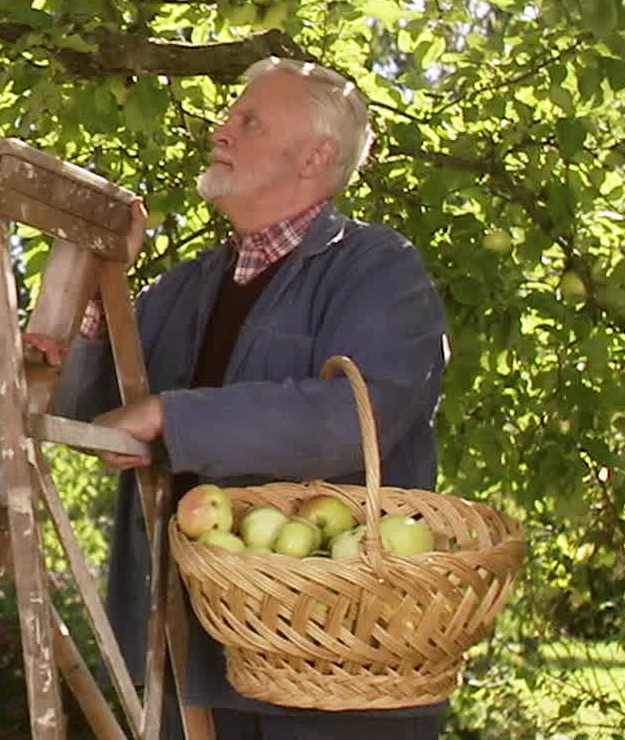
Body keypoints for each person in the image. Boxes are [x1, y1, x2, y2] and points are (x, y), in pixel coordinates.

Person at [53, 57, 451, 740]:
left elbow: (353, 417)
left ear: (314, 158)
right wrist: (95, 294)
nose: (221, 129)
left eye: (249, 121)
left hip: (327, 653)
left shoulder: (381, 270)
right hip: (183, 646)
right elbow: (78, 413)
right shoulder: (181, 289)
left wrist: (172, 416)